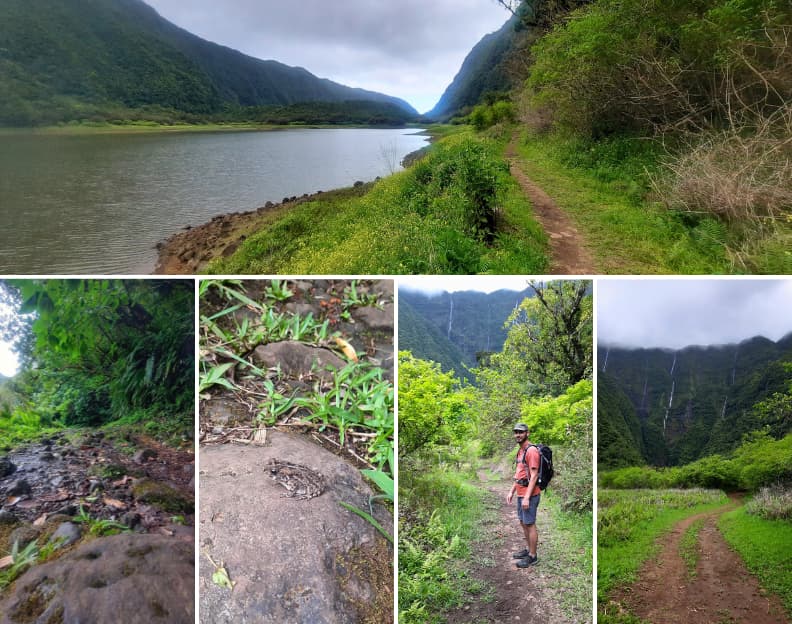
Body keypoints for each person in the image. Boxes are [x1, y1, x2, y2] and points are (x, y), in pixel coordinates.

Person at [506, 423, 540, 568]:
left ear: (527, 433)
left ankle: (533, 556)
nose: (518, 435)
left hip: (530, 494)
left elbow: (533, 476)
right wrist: (512, 491)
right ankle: (528, 550)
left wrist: (527, 496)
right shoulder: (520, 451)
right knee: (523, 522)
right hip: (521, 493)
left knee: (530, 524)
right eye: (516, 432)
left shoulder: (531, 451)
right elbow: (519, 474)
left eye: (521, 432)